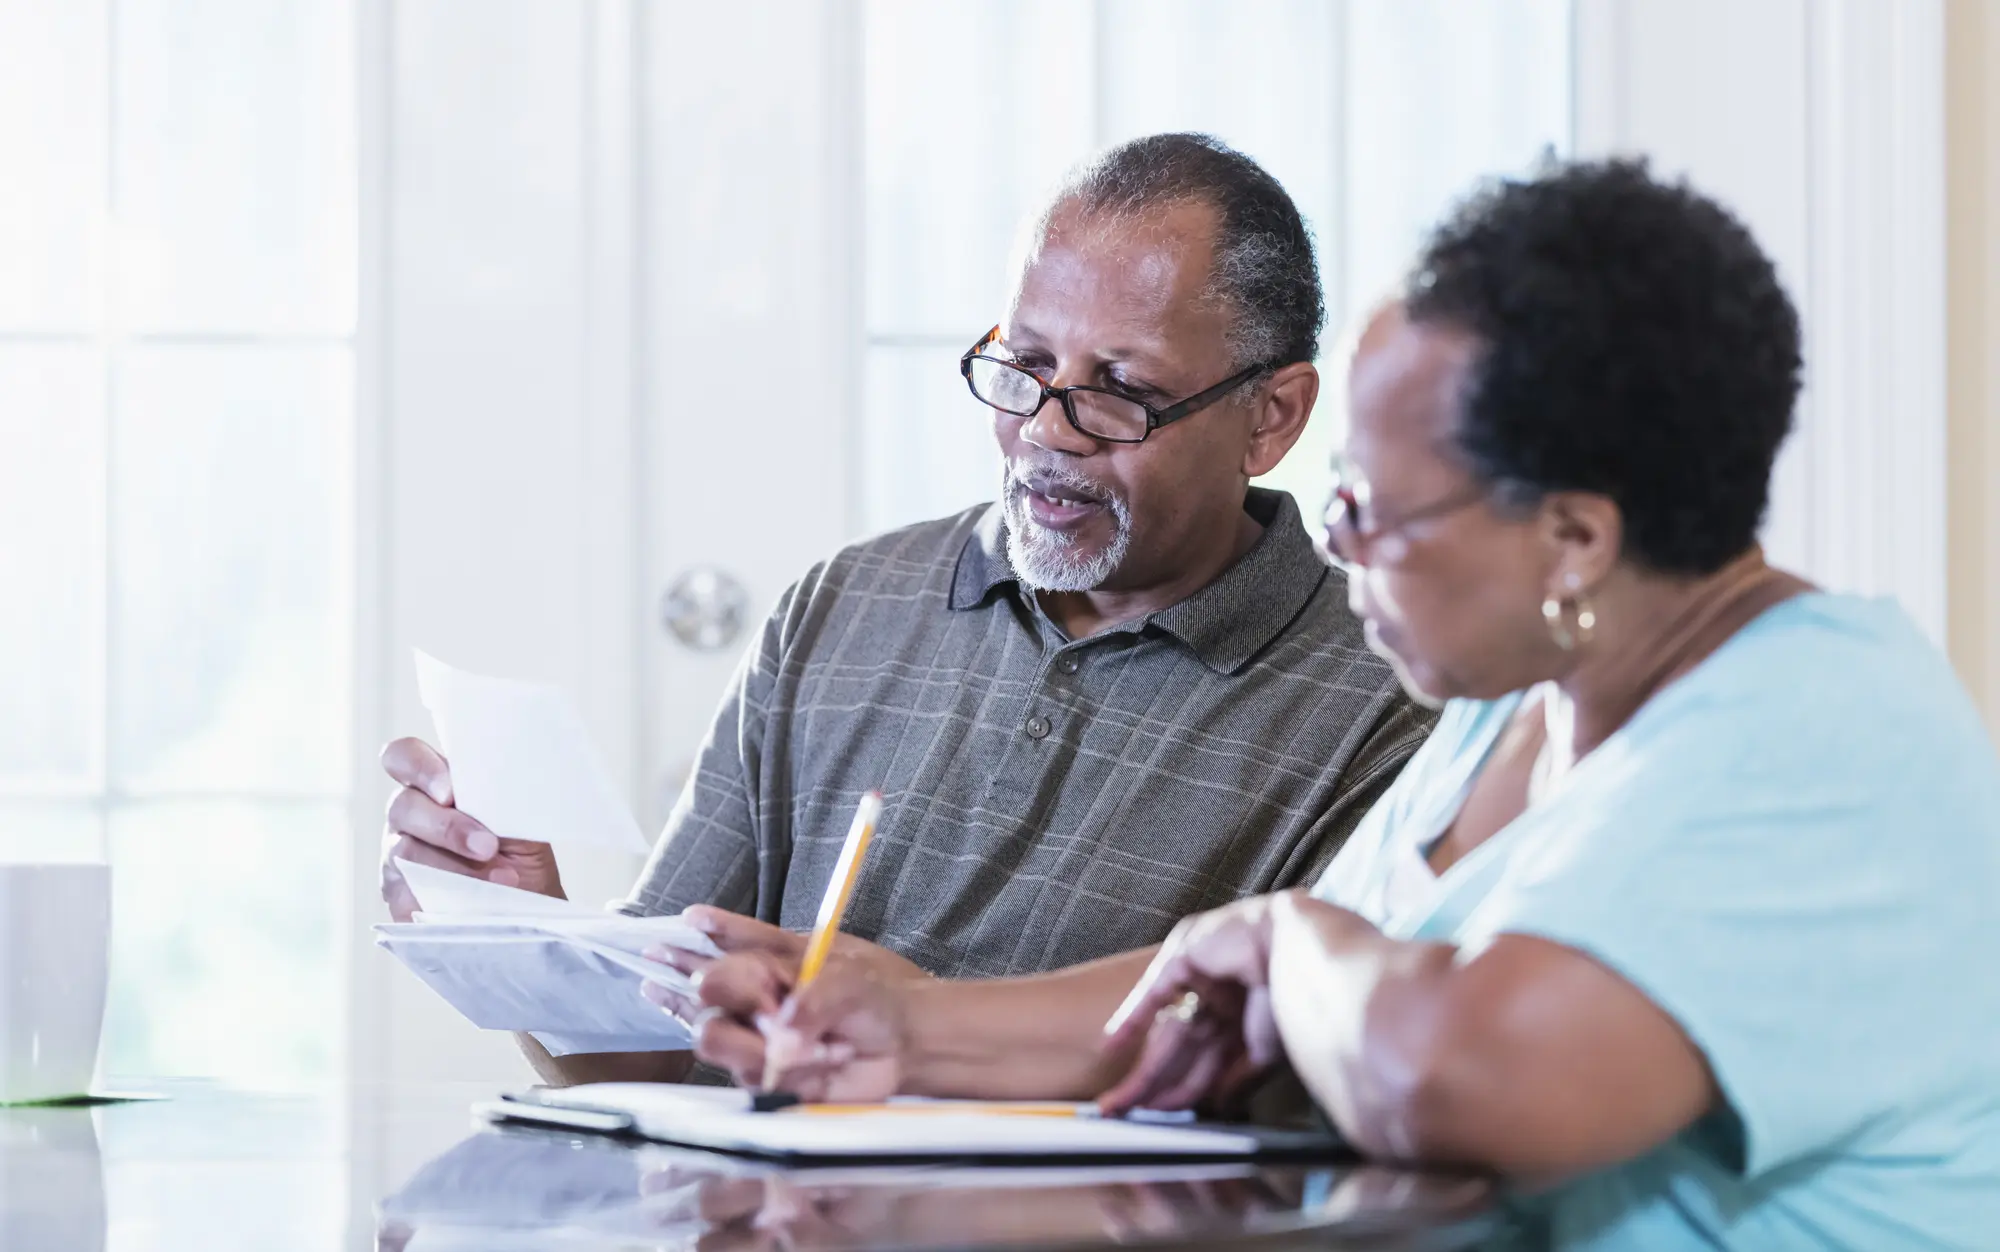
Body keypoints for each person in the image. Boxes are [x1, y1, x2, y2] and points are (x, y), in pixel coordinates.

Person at [685, 159, 2000, 1250]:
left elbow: (1458, 1075)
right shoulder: (1515, 711)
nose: (1338, 545)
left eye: (1370, 506)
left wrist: (1290, 934)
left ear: (1575, 540)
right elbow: (1231, 1015)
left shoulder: (1834, 739)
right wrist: (909, 1028)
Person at [377, 133, 1434, 1086]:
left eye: (1119, 388)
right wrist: (525, 920)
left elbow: (1312, 1088)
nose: (1046, 432)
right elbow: (650, 1056)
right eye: (1022, 366)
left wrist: (917, 1028)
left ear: (1272, 416)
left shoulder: (1386, 694)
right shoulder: (843, 608)